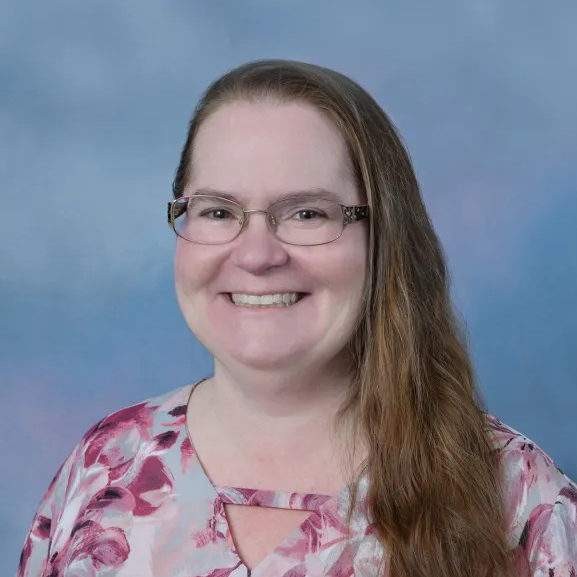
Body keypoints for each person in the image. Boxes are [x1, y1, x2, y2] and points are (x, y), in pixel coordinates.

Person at [16, 59, 576, 577]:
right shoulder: (106, 466)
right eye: (217, 211)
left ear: (384, 238)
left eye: (307, 213)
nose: (258, 255)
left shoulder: (520, 501)